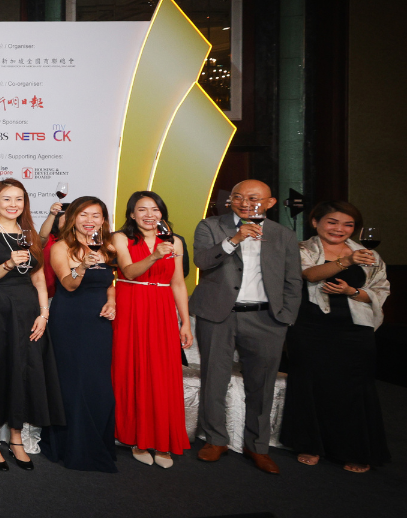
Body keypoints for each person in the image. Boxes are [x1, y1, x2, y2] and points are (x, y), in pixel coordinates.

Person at [190, 179, 301, 474]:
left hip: (267, 319)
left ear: (270, 203)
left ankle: (257, 446)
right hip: (218, 315)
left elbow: (293, 280)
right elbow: (202, 261)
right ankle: (215, 440)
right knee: (214, 378)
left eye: (253, 197)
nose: (243, 201)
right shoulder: (211, 226)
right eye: (237, 196)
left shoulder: (284, 235)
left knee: (261, 386)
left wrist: (286, 316)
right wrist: (235, 239)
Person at [0, 178, 65, 471]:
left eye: (18, 199)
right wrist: (8, 264)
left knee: (24, 370)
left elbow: (38, 279)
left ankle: (17, 438)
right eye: (6, 199)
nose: (13, 205)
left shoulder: (30, 233)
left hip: (27, 310)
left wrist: (44, 314)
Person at [282, 201, 390, 473]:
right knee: (310, 385)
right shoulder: (301, 249)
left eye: (348, 224)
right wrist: (347, 261)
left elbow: (380, 291)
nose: (339, 229)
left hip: (355, 330)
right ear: (315, 222)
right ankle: (310, 445)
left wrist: (351, 292)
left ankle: (353, 449)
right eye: (332, 222)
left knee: (354, 388)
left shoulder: (368, 255)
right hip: (310, 328)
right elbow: (309, 274)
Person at [110, 191, 192, 468]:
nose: (149, 215)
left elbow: (178, 283)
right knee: (132, 370)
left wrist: (186, 322)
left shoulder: (175, 241)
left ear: (162, 213)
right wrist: (155, 256)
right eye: (142, 210)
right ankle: (136, 437)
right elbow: (129, 272)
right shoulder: (120, 238)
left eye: (155, 209)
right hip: (131, 305)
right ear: (131, 214)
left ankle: (163, 439)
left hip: (161, 308)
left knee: (162, 373)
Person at [40, 197, 119, 473]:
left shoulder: (108, 246)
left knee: (98, 385)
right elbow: (68, 285)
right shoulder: (60, 247)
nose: (90, 220)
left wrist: (112, 300)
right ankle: (71, 446)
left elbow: (110, 281)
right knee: (73, 384)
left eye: (95, 215)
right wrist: (83, 266)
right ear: (72, 217)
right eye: (83, 215)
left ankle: (97, 442)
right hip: (70, 321)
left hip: (99, 323)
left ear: (103, 220)